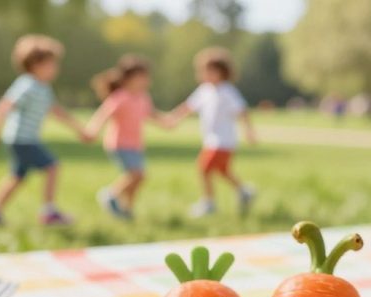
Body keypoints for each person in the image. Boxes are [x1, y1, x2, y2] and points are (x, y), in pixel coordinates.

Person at [0, 35, 85, 226]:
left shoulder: (43, 88)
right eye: (51, 64)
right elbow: (4, 106)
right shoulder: (27, 84)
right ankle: (48, 212)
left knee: (17, 176)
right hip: (22, 139)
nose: (56, 68)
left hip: (24, 139)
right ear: (36, 64)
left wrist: (79, 130)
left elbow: (57, 111)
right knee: (52, 166)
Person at [169, 47, 256, 218]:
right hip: (210, 140)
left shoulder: (227, 91)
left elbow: (242, 110)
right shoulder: (204, 90)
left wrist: (249, 131)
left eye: (207, 71)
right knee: (223, 171)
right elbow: (188, 106)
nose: (203, 75)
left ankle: (208, 203)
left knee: (203, 168)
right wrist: (173, 119)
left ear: (220, 72)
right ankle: (244, 191)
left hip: (223, 141)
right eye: (201, 71)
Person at [84, 55, 171, 220]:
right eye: (141, 77)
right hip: (119, 144)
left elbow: (151, 113)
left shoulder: (143, 97)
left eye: (146, 77)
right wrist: (93, 130)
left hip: (136, 145)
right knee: (137, 175)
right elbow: (104, 114)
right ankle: (110, 194)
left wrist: (165, 122)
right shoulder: (120, 97)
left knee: (136, 180)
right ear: (128, 79)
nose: (145, 81)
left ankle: (127, 210)